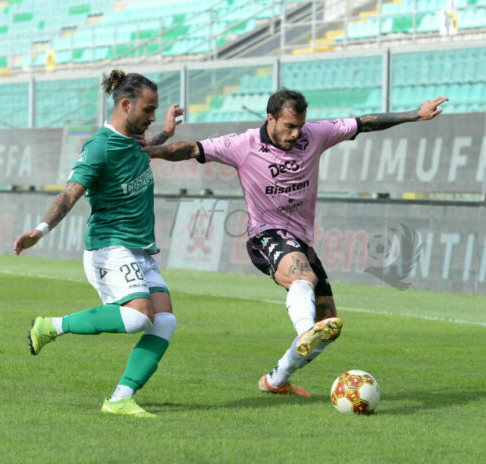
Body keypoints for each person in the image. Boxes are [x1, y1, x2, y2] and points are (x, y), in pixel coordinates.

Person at [142, 89, 448, 397]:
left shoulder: (316, 134)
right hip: (265, 234)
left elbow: (364, 122)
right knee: (304, 279)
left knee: (329, 326)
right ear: (271, 118)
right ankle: (304, 331)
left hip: (301, 240)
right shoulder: (243, 144)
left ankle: (277, 379)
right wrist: (153, 151)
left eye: (300, 125)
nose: (296, 133)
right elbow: (191, 149)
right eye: (289, 126)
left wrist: (415, 115)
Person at [13, 69, 184, 418]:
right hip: (109, 246)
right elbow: (69, 195)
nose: (152, 117)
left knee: (165, 321)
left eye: (155, 110)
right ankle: (51, 326)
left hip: (139, 248)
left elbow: (145, 148)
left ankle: (120, 398)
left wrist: (167, 131)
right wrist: (40, 230)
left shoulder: (138, 140)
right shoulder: (99, 147)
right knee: (138, 318)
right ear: (126, 105)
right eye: (149, 109)